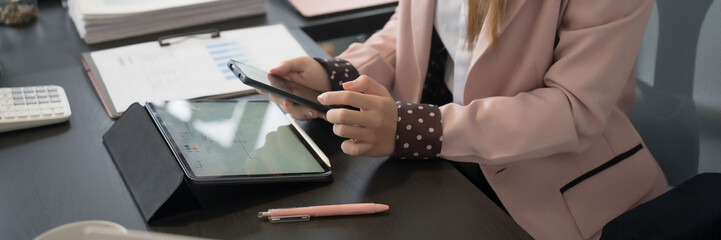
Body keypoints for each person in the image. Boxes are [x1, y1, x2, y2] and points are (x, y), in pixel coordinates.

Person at [265, 0, 669, 239]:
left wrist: (415, 129)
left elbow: (574, 108)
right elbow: (409, 29)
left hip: (549, 182)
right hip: (445, 152)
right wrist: (340, 76)